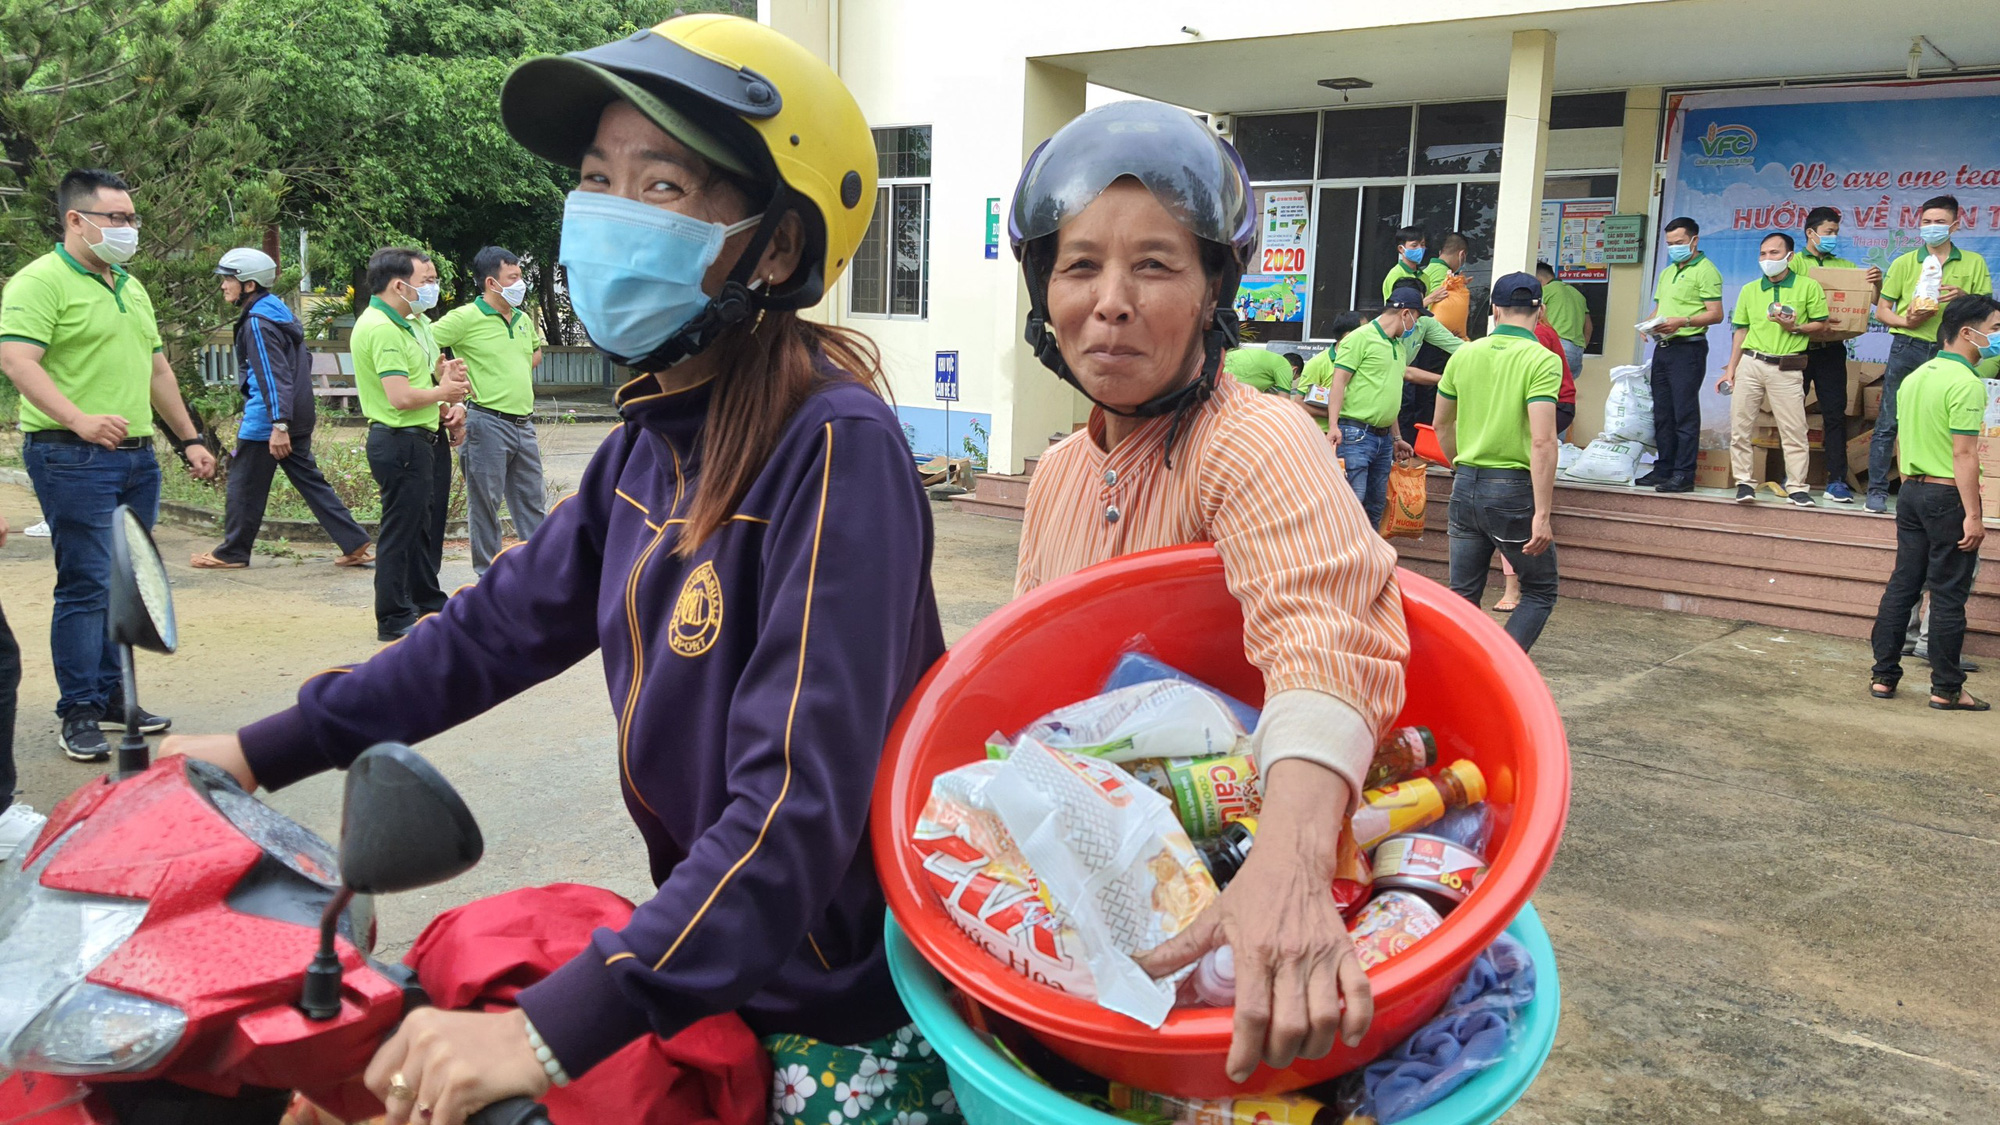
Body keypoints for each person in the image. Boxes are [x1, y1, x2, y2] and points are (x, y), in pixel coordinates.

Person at [165, 16, 953, 1125]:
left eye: (663, 186)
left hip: (828, 1011)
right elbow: (489, 633)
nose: (610, 214)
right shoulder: (650, 439)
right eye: (596, 180)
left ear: (774, 248)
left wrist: (547, 1035)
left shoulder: (831, 446)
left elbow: (788, 808)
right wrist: (256, 752)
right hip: (709, 968)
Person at [1009, 99, 1408, 1088]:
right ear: (1042, 293)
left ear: (1211, 292)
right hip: (1105, 887)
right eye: (1078, 265)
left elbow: (1323, 636)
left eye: (1153, 265)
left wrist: (1286, 865)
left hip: (1259, 884)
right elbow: (1024, 688)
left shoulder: (1251, 438)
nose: (1109, 301)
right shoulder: (1059, 469)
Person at [0, 168, 218, 763]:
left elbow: (157, 373)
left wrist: (189, 439)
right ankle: (79, 711)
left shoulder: (128, 284)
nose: (128, 228)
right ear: (76, 220)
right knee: (86, 583)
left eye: (131, 218)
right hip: (72, 456)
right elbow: (18, 362)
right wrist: (78, 419)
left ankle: (114, 694)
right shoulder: (39, 282)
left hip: (137, 459)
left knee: (128, 582)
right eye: (115, 218)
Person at [191, 248, 374, 570]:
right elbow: (300, 364)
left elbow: (273, 376)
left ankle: (232, 552)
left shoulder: (259, 323)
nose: (223, 286)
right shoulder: (280, 314)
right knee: (309, 481)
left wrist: (279, 424)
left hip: (269, 419)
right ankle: (354, 541)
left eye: (228, 279)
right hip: (296, 412)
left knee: (243, 484)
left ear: (249, 285)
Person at [1867, 294, 1997, 711]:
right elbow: (1964, 456)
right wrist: (1974, 516)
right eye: (1994, 328)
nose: (1996, 337)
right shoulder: (1967, 383)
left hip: (1912, 492)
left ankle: (1884, 677)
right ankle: (1947, 687)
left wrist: (1909, 485)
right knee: (1947, 594)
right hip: (1947, 495)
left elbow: (1901, 439)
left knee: (1903, 584)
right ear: (1966, 332)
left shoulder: (1917, 376)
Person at [1433, 273, 1562, 651]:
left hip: (1466, 482)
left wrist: (1462, 467)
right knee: (1539, 590)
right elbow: (1543, 440)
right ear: (1540, 309)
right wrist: (1543, 513)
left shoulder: (1464, 354)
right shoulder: (1542, 359)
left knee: (1462, 596)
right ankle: (1501, 673)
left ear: (1494, 310)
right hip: (1512, 491)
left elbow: (1441, 424)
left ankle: (1459, 681)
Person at [352, 247, 470, 641]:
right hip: (398, 440)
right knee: (401, 530)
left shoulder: (415, 323)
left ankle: (426, 600)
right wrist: (443, 393)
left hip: (424, 436)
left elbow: (431, 383)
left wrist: (448, 405)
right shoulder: (381, 328)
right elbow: (399, 397)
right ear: (399, 285)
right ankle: (392, 615)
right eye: (427, 281)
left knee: (425, 526)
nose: (433, 288)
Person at [1866, 195, 1993, 513]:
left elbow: (1987, 312)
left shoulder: (1973, 262)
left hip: (1950, 352)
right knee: (1890, 420)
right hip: (1908, 345)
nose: (1932, 227)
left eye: (1939, 222)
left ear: (1954, 225)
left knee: (1947, 422)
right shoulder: (1905, 262)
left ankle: (1944, 489)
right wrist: (1905, 320)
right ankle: (1878, 490)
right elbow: (1883, 311)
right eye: (1926, 222)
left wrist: (1966, 297)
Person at [433, 246, 550, 575]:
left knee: (531, 503)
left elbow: (534, 354)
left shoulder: (523, 319)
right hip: (486, 422)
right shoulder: (465, 318)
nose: (520, 283)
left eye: (520, 276)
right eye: (512, 277)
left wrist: (505, 368)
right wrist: (447, 382)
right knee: (484, 505)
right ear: (491, 282)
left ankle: (540, 574)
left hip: (523, 424)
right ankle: (488, 577)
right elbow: (423, 346)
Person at [1717, 232, 1828, 507]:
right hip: (1751, 363)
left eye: (1774, 253)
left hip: (1787, 365)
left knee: (1794, 430)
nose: (1768, 259)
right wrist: (1731, 369)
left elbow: (1822, 324)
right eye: (1763, 254)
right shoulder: (1750, 289)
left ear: (1789, 256)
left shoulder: (1808, 286)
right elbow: (1740, 331)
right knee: (1740, 427)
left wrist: (1795, 327)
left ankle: (1798, 486)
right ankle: (1744, 482)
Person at [1788, 207, 1880, 504]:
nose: (1833, 237)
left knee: (1834, 414)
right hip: (1797, 348)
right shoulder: (1793, 263)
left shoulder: (1844, 266)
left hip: (1831, 351)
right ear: (1810, 233)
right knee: (1791, 414)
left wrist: (1875, 282)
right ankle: (1793, 478)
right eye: (1828, 232)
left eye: (1836, 233)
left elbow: (1871, 301)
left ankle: (1836, 480)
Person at [1323, 286, 1424, 526]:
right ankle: (1344, 560)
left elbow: (1390, 395)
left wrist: (1397, 437)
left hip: (1383, 439)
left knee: (1376, 506)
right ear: (1405, 313)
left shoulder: (1398, 346)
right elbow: (1338, 383)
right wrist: (1333, 426)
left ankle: (1368, 561)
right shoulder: (1359, 338)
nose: (1415, 326)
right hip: (1356, 434)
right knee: (1352, 504)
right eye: (1416, 319)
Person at [1638, 217, 1724, 493]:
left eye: (1679, 243)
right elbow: (1660, 308)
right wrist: (1647, 325)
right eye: (1670, 244)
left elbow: (1716, 314)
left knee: (1684, 412)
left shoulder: (1706, 270)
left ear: (1694, 241)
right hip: (1663, 348)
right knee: (1662, 413)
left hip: (1689, 349)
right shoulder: (1667, 272)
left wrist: (1682, 321)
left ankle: (1684, 474)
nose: (1674, 248)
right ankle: (1663, 468)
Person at [1296, 311, 1367, 432]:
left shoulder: (1366, 361)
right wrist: (1332, 413)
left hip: (1359, 433)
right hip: (1325, 434)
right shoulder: (1319, 362)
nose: (1370, 335)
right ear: (1348, 335)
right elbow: (1299, 402)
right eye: (1365, 331)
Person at [1535, 261, 1592, 384]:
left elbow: (1530, 315)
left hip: (1557, 346)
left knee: (1544, 390)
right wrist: (1581, 346)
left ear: (1538, 280)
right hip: (1576, 351)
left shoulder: (1546, 291)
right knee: (1564, 395)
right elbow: (1588, 326)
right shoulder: (1577, 294)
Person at [1382, 225, 1450, 306]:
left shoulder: (1424, 277)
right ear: (1401, 249)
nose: (1420, 249)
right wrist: (1430, 299)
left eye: (1422, 244)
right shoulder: (1396, 275)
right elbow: (1399, 309)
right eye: (1414, 245)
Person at [1222, 343, 1298, 396]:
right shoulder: (1286, 366)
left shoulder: (1271, 362)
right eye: (1293, 379)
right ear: (1294, 369)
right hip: (1231, 378)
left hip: (1222, 365)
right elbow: (1284, 401)